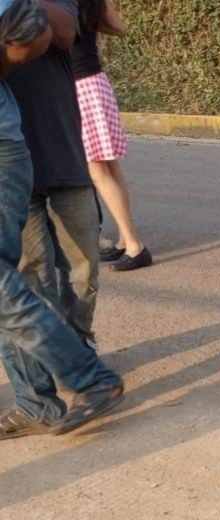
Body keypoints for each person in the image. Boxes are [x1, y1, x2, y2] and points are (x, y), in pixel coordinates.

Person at [0, 0, 124, 440]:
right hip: (19, 152)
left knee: (80, 269)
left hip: (56, 150)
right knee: (23, 278)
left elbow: (53, 31)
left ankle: (82, 366)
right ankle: (43, 394)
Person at [6, 0, 100, 348]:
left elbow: (65, 33)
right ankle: (57, 352)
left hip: (63, 150)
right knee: (33, 269)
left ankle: (80, 339)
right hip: (12, 158)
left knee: (85, 262)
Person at [72, 0, 151, 272]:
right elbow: (118, 26)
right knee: (110, 166)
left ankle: (134, 245)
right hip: (96, 82)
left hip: (79, 87)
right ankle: (125, 239)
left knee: (98, 170)